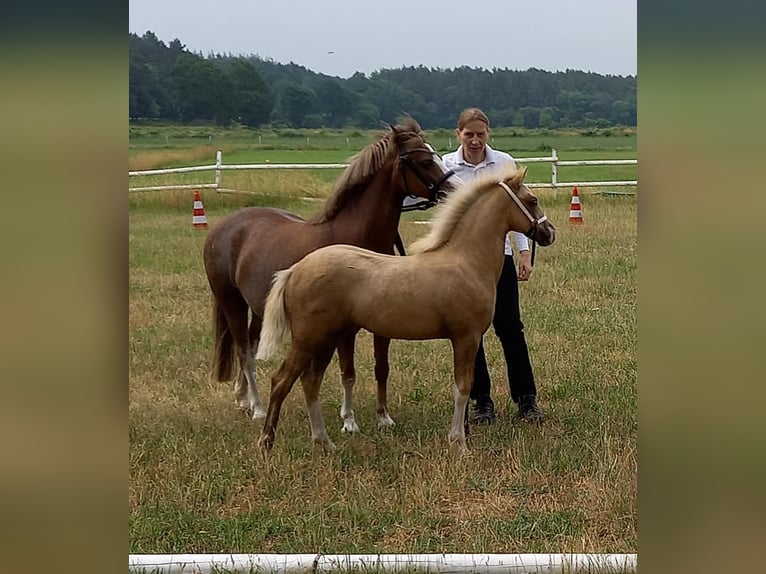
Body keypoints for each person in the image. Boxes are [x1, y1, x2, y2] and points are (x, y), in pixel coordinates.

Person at [440, 108, 544, 424]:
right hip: (459, 264)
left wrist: (523, 253)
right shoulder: (446, 166)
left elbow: (517, 213)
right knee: (471, 332)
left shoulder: (503, 163)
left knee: (511, 328)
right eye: (468, 134)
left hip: (500, 261)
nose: (474, 140)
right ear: (458, 133)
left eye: (480, 134)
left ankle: (526, 400)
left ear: (489, 134)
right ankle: (481, 401)